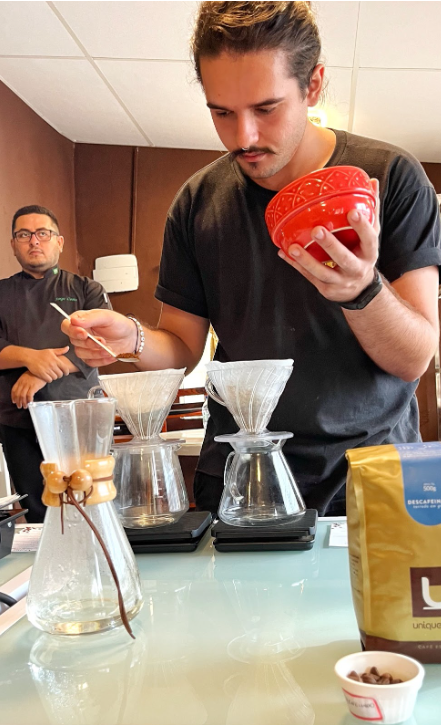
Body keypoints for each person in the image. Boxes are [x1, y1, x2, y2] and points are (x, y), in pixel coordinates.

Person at [62, 2, 441, 516]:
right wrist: (132, 337)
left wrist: (362, 291)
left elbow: (415, 357)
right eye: (221, 112)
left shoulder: (390, 177)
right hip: (241, 474)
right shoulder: (196, 202)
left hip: (371, 472)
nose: (243, 137)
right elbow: (182, 347)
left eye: (266, 108)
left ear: (313, 86)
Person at [0, 205, 112, 522]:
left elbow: (98, 345)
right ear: (13, 244)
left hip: (80, 417)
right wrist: (30, 357)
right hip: (18, 420)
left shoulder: (86, 290)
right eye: (24, 234)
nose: (34, 241)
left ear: (59, 241)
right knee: (39, 513)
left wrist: (41, 373)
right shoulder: (2, 292)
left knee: (90, 506)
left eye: (43, 233)